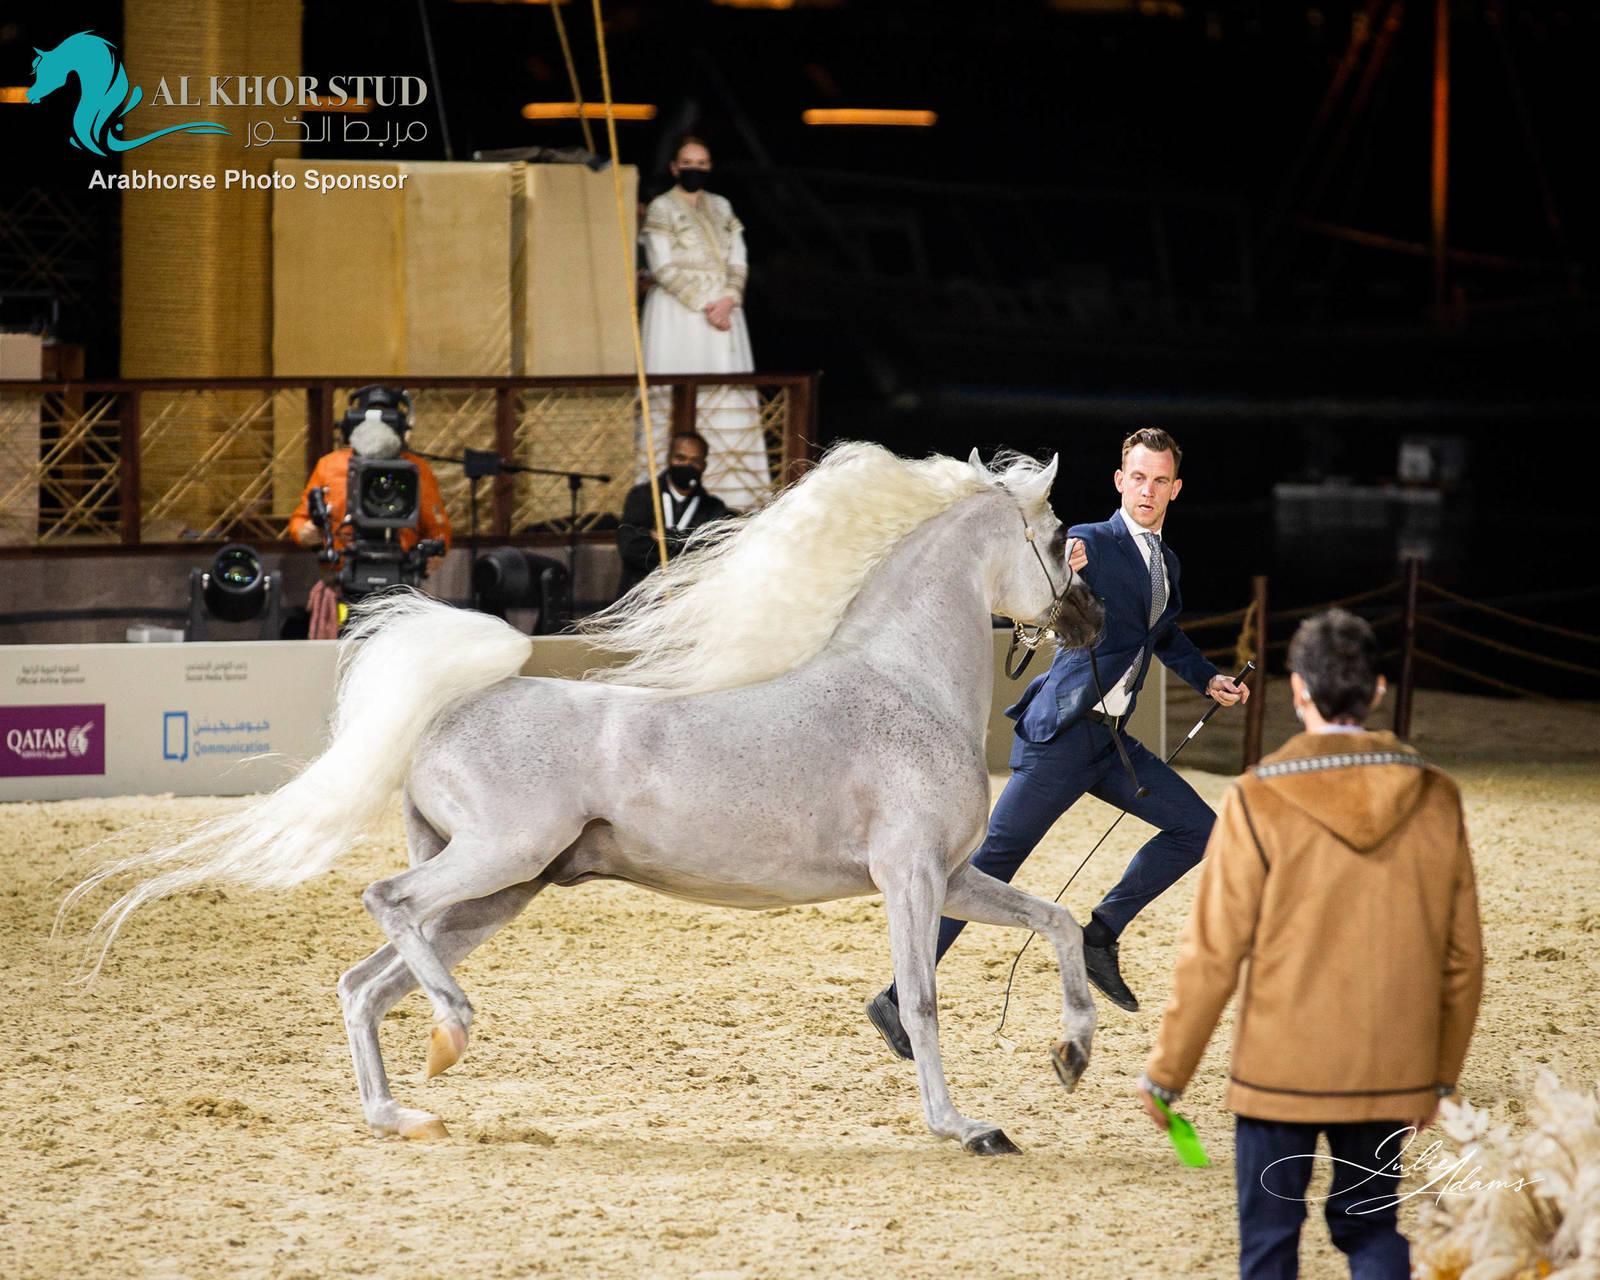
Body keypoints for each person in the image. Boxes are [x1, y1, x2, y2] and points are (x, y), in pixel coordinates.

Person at [866, 427, 1248, 1057]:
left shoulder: (1167, 564)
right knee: (984, 870)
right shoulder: (1088, 543)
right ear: (1119, 481)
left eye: (1160, 481)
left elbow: (1166, 634)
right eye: (1138, 478)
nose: (1147, 490)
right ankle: (897, 999)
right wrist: (1064, 564)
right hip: (1062, 738)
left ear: (1175, 490)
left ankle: (1101, 933)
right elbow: (1047, 570)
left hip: (1111, 745)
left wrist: (1209, 678)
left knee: (1199, 828)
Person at [1137, 609, 1483, 1280]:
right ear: (1377, 691)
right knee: (1373, 1231)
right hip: (1388, 1070)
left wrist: (1167, 1073)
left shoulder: (1257, 798)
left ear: (1298, 691)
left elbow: (1212, 953)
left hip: (1277, 1072)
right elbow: (1463, 959)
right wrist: (1438, 1077)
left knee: (1269, 1245)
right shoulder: (1437, 796)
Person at [638, 135, 768, 513]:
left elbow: (739, 258)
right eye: (687, 161)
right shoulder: (662, 208)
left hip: (724, 312)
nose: (694, 168)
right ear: (675, 167)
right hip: (681, 312)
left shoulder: (722, 206)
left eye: (701, 161)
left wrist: (728, 299)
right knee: (680, 386)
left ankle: (736, 492)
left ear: (709, 167)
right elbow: (661, 266)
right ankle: (665, 488)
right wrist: (706, 304)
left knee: (724, 387)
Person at [288, 385, 452, 569]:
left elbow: (438, 528)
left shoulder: (415, 470)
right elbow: (300, 520)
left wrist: (434, 554)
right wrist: (305, 532)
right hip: (342, 572)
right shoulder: (330, 465)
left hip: (399, 573)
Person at [615, 429, 731, 597]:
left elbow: (711, 555)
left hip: (688, 600)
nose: (687, 465)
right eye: (680, 458)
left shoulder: (713, 508)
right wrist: (688, 542)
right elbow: (630, 548)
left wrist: (664, 537)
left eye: (695, 460)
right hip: (640, 598)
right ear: (669, 459)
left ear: (703, 466)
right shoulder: (642, 496)